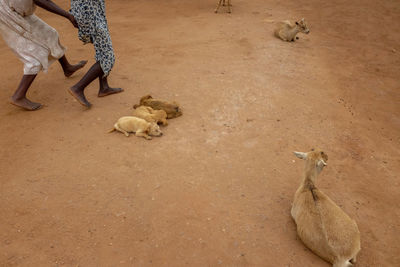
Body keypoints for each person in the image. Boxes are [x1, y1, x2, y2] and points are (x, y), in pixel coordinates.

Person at [0, 0, 87, 110]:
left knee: (50, 34)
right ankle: (18, 96)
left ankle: (67, 68)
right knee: (34, 57)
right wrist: (68, 16)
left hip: (20, 10)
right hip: (7, 14)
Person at [68, 0, 123, 108]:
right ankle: (78, 88)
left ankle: (104, 87)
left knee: (101, 49)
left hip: (90, 12)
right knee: (107, 57)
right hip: (91, 15)